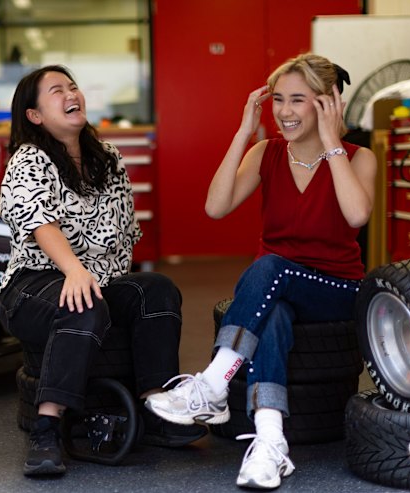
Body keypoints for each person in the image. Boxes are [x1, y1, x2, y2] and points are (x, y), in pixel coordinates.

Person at [145, 53, 376, 489]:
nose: (284, 111)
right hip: (276, 290)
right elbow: (215, 207)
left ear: (327, 103)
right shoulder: (266, 153)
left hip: (336, 289)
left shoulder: (358, 157)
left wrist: (331, 141)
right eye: (278, 100)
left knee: (270, 268)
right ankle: (270, 442)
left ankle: (213, 383)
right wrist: (242, 133)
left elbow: (356, 215)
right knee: (273, 316)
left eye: (298, 100)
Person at [0, 65, 205, 477]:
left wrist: (114, 293)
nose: (71, 93)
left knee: (156, 289)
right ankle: (46, 428)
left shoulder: (107, 158)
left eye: (72, 86)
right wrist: (75, 271)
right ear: (35, 115)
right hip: (32, 284)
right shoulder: (29, 159)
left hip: (96, 280)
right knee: (84, 304)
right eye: (57, 90)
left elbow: (125, 233)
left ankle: (156, 408)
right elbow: (41, 224)